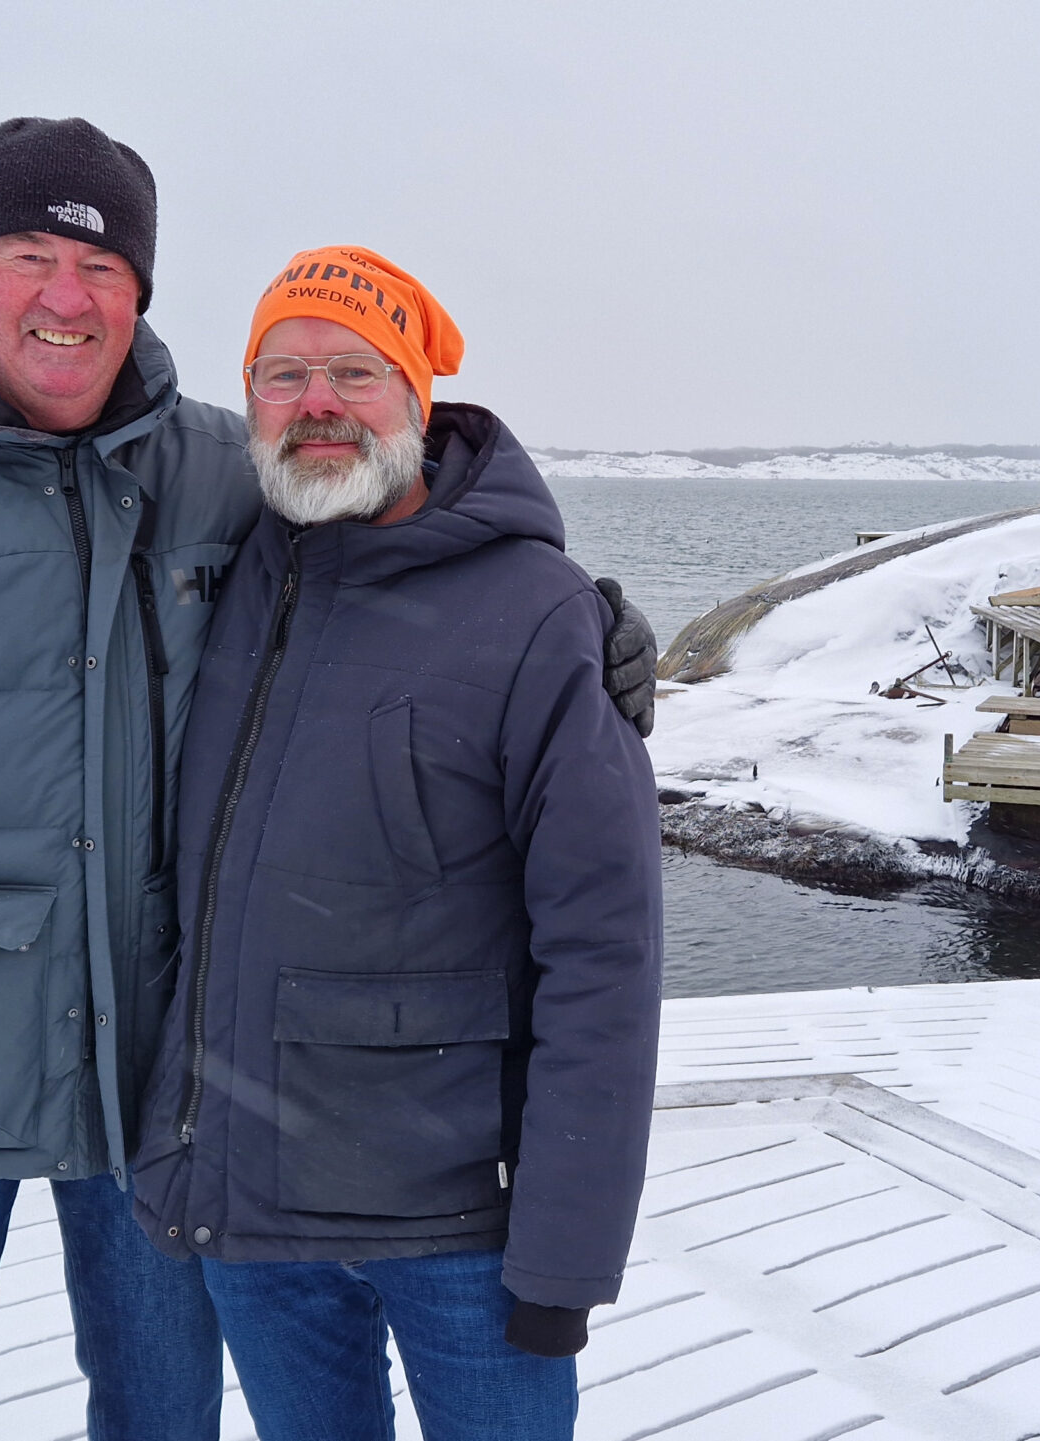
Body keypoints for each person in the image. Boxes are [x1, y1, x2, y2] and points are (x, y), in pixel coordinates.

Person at [0, 121, 655, 1440]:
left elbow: (388, 541)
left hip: (155, 1084)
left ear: (140, 294)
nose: (66, 298)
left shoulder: (206, 470)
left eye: (103, 267)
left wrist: (587, 629)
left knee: (165, 1413)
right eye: (29, 256)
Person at [130, 246, 664, 1441]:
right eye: (283, 373)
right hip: (252, 1211)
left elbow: (605, 953)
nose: (317, 402)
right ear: (249, 399)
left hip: (462, 1235)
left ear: (418, 399)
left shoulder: (535, 613)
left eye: (354, 371)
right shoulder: (222, 575)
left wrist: (566, 1257)